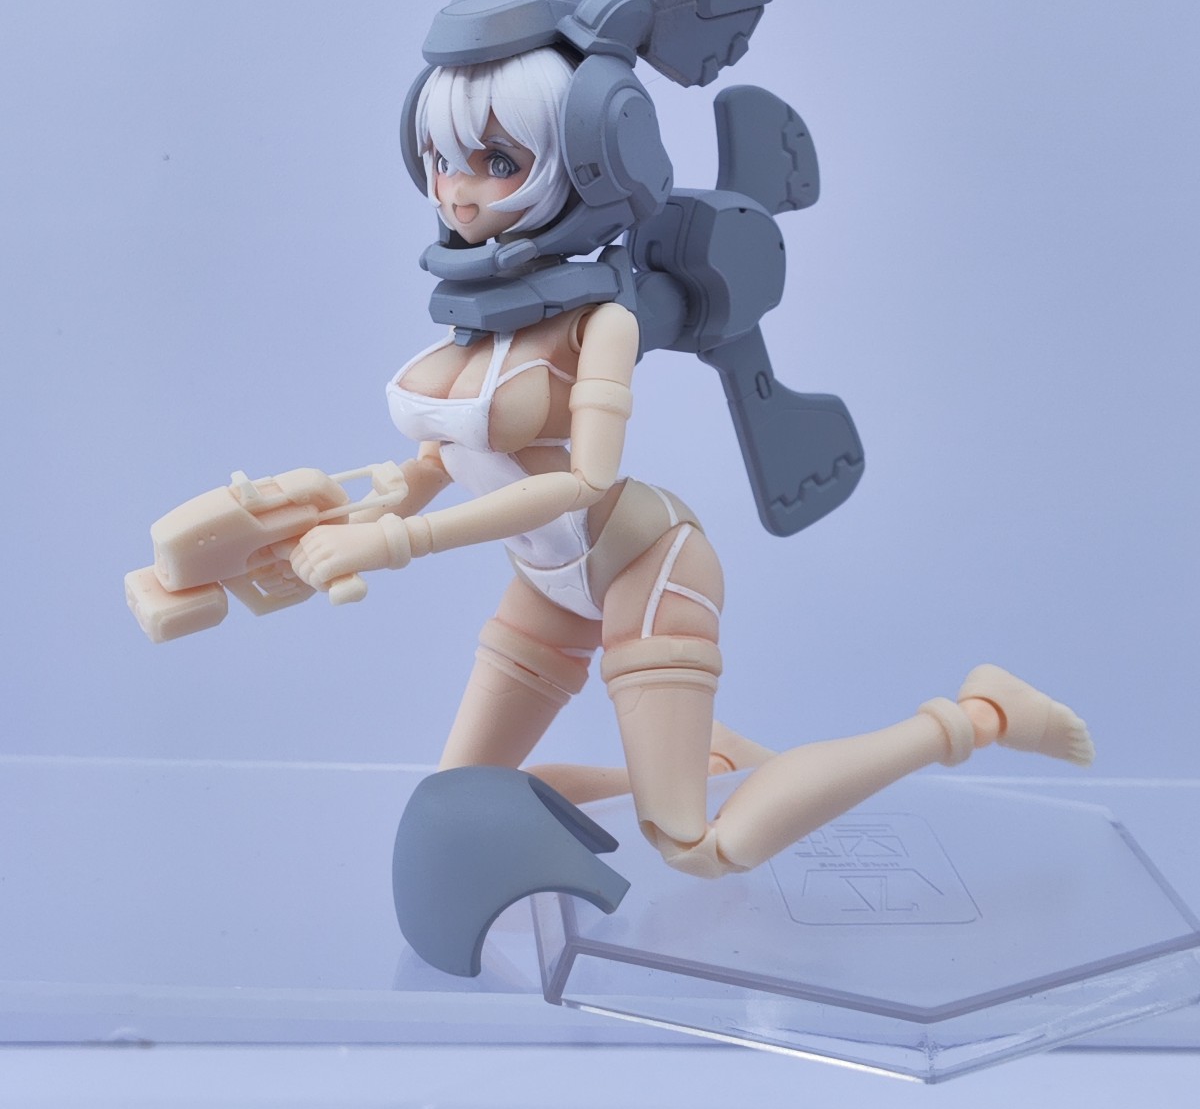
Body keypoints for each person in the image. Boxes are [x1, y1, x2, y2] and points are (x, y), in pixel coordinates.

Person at [289, 46, 1093, 881]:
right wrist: (341, 519)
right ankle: (715, 766)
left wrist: (396, 544)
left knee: (696, 847)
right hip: (547, 581)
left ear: (581, 163)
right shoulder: (480, 318)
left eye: (497, 163)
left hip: (646, 567)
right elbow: (440, 458)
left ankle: (982, 714)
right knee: (465, 793)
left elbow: (582, 482)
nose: (457, 190)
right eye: (440, 158)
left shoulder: (599, 321)